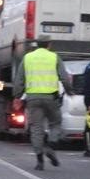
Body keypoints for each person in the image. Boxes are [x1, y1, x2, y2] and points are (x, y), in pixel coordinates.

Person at [13, 36, 73, 171]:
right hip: (51, 98)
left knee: (36, 128)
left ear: (36, 45)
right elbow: (64, 77)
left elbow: (19, 79)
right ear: (49, 45)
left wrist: (17, 96)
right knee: (56, 123)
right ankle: (51, 146)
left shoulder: (28, 58)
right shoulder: (54, 57)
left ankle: (39, 161)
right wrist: (69, 91)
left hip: (33, 98)